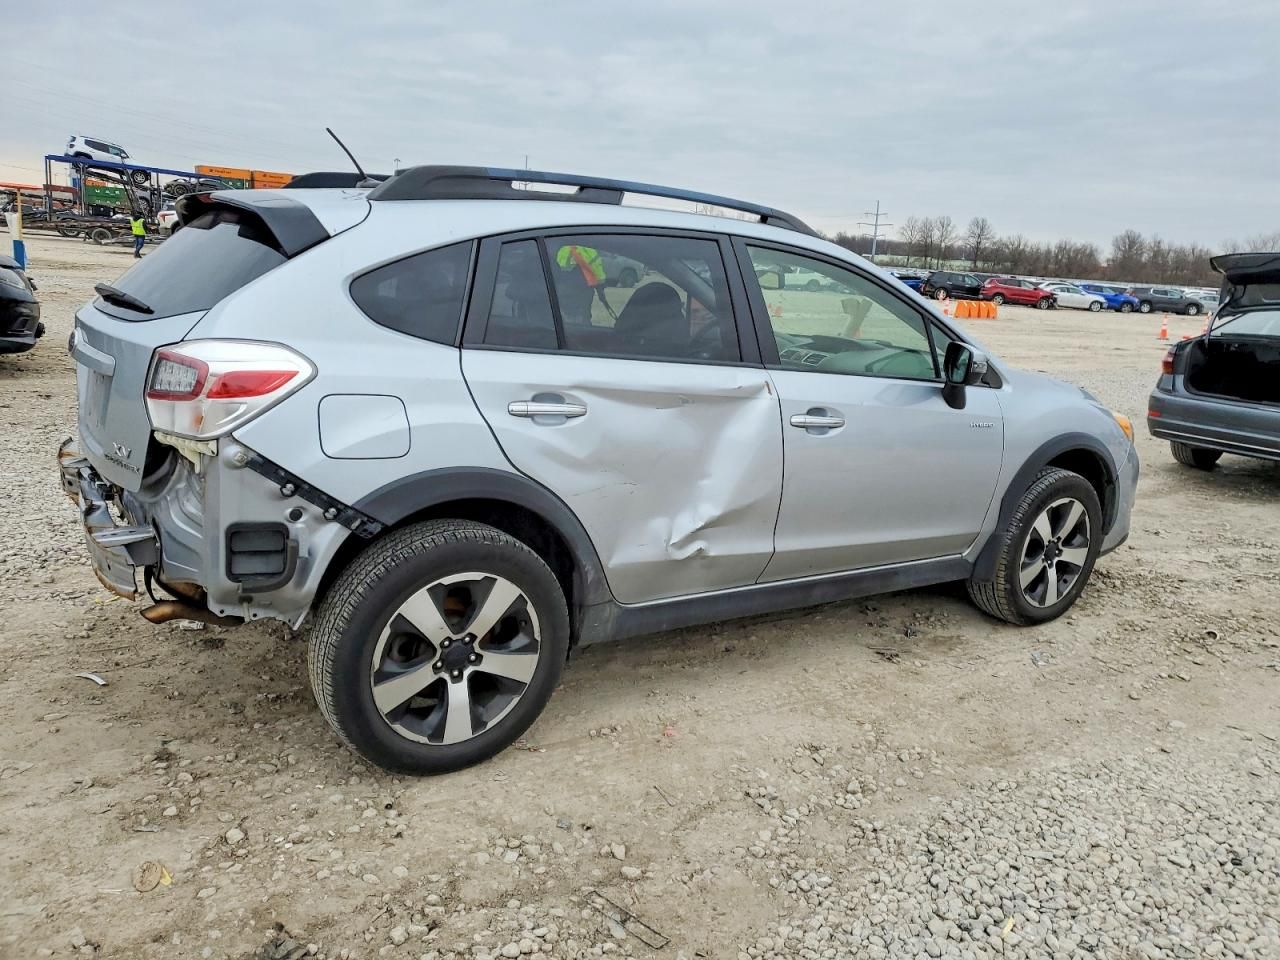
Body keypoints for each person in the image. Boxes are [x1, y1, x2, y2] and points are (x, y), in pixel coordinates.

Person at [553, 243, 606, 324]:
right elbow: (599, 275)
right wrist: (600, 292)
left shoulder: (560, 249)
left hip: (566, 291)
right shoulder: (590, 251)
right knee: (584, 318)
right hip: (584, 291)